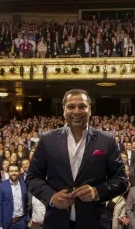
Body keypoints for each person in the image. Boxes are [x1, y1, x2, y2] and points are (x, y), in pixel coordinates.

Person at [26, 89, 128, 229]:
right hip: (57, 222)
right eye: (71, 107)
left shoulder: (106, 140)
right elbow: (32, 177)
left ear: (90, 110)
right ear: (63, 110)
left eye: (82, 106)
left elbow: (121, 180)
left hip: (94, 223)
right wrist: (51, 197)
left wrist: (97, 192)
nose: (76, 111)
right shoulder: (47, 139)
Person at [0, 165, 31, 229]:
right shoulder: (1, 186)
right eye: (11, 171)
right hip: (8, 223)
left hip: (22, 222)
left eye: (16, 171)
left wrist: (27, 218)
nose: (13, 173)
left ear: (19, 172)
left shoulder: (24, 184)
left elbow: (27, 202)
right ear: (8, 172)